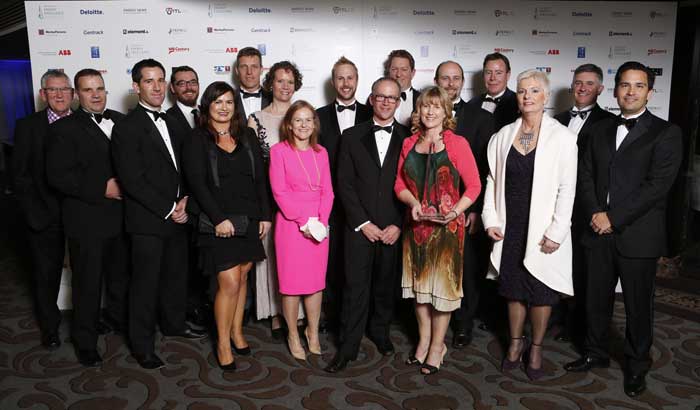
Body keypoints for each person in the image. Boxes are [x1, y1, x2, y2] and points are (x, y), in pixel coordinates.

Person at [564, 61, 683, 397]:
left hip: (637, 235)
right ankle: (595, 352)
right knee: (594, 299)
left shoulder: (666, 132)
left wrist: (612, 218)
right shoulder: (600, 129)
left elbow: (657, 187)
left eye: (639, 86)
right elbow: (583, 176)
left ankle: (636, 365)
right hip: (596, 230)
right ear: (615, 90)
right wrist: (595, 213)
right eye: (625, 85)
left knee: (637, 306)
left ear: (649, 91)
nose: (631, 92)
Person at [482, 69, 577, 381]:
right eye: (522, 90)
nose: (527, 96)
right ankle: (514, 344)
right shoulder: (503, 136)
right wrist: (490, 219)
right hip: (511, 225)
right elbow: (492, 181)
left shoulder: (563, 138)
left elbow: (568, 188)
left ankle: (536, 347)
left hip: (543, 228)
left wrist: (557, 232)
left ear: (546, 96)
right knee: (513, 291)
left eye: (534, 91)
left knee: (540, 291)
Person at [111, 59, 205, 370]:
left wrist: (186, 202)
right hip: (148, 221)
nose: (157, 87)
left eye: (161, 80)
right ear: (136, 86)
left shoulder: (175, 121)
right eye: (149, 81)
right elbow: (132, 179)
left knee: (176, 278)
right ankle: (142, 345)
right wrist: (169, 209)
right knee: (145, 285)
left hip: (180, 215)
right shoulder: (126, 126)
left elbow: (190, 166)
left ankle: (174, 324)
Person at [182, 81, 271, 371]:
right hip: (216, 219)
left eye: (229, 102)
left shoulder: (246, 134)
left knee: (243, 274)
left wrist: (264, 216)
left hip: (248, 216)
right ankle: (222, 342)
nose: (224, 107)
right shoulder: (197, 138)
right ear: (208, 106)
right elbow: (197, 183)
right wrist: (219, 218)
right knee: (229, 280)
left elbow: (260, 178)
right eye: (218, 102)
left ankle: (236, 332)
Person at [325, 77, 410, 373]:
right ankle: (347, 347)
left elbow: (413, 187)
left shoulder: (410, 139)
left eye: (392, 98)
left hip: (392, 229)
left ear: (399, 102)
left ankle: (381, 333)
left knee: (386, 287)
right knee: (354, 288)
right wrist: (362, 222)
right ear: (371, 99)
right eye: (380, 97)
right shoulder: (350, 136)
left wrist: (398, 224)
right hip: (358, 228)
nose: (386, 102)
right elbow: (343, 184)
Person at [394, 86, 481, 375]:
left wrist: (456, 211)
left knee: (441, 292)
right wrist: (412, 203)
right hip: (416, 227)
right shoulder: (409, 143)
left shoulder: (457, 144)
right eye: (425, 107)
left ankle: (437, 346)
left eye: (436, 107)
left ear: (447, 112)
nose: (430, 112)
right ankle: (423, 342)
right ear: (418, 111)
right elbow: (399, 184)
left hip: (447, 231)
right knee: (420, 291)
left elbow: (474, 186)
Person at [45, 69, 129, 367]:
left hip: (123, 219)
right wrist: (101, 189)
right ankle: (85, 342)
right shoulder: (62, 129)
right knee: (88, 285)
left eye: (100, 88)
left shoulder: (121, 120)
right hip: (87, 222)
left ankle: (118, 321)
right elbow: (57, 176)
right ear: (77, 95)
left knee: (120, 279)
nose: (95, 94)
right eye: (88, 89)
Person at [551, 64, 616, 343]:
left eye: (589, 83)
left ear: (600, 89)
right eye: (578, 82)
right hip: (556, 203)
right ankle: (559, 319)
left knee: (585, 270)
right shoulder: (557, 119)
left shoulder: (610, 123)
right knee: (557, 264)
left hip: (588, 207)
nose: (582, 88)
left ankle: (581, 328)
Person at [434, 60, 495, 348]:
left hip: (465, 207)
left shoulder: (480, 117)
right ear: (436, 80)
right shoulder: (424, 113)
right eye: (444, 78)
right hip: (431, 210)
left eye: (456, 78)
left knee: (466, 269)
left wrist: (475, 210)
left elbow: (487, 169)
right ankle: (432, 325)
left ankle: (463, 325)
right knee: (434, 266)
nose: (450, 83)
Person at [13, 69, 73, 350]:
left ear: (72, 94)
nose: (59, 95)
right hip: (44, 218)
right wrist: (34, 215)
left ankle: (90, 321)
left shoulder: (84, 123)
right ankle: (50, 328)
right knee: (46, 277)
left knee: (88, 271)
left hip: (82, 216)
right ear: (43, 94)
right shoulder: (28, 126)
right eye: (53, 90)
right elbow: (20, 177)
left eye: (64, 89)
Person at [269, 100, 334, 360]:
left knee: (316, 284)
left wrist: (321, 221)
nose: (304, 125)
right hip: (291, 225)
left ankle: (313, 332)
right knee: (291, 285)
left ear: (314, 124)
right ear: (289, 124)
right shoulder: (279, 151)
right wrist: (304, 222)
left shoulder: (322, 153)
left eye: (309, 120)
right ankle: (293, 334)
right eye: (298, 120)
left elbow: (328, 191)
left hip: (319, 226)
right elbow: (279, 192)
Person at [248, 61, 304, 338]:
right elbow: (253, 168)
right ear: (270, 84)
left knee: (300, 255)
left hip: (301, 198)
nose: (285, 86)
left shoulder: (305, 115)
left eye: (290, 81)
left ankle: (300, 311)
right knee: (271, 256)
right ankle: (276, 314)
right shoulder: (256, 118)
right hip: (269, 197)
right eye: (280, 81)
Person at [316, 56, 372, 333]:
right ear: (333, 81)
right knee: (330, 262)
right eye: (340, 78)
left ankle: (360, 320)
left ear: (357, 80)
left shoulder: (372, 114)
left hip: (361, 205)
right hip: (327, 203)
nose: (345, 83)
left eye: (350, 77)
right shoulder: (318, 116)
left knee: (357, 266)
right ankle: (331, 316)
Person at [465, 53, 519, 132]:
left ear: (508, 75)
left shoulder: (519, 103)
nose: (492, 78)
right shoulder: (472, 104)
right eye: (488, 72)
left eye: (498, 73)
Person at [235, 47, 271, 124]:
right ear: (237, 71)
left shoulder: (273, 99)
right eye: (244, 67)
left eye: (254, 67)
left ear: (261, 70)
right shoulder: (229, 100)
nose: (249, 72)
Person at [384, 50, 420, 126]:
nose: (399, 74)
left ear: (413, 73)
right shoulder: (377, 98)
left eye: (404, 69)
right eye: (394, 69)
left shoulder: (423, 99)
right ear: (388, 72)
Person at [167, 66, 200, 130]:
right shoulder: (166, 119)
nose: (189, 88)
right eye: (182, 84)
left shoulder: (209, 113)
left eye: (193, 83)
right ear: (172, 88)